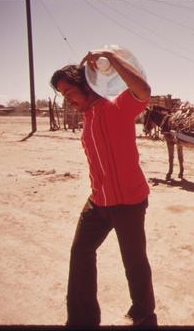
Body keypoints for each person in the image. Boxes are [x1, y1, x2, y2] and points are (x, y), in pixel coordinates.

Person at [50, 48, 157, 328]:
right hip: (98, 202)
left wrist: (110, 56)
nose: (67, 99)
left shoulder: (116, 106)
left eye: (68, 91)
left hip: (129, 202)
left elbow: (144, 90)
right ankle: (82, 320)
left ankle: (144, 310)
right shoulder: (87, 117)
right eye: (62, 95)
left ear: (85, 86)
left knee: (134, 261)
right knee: (81, 252)